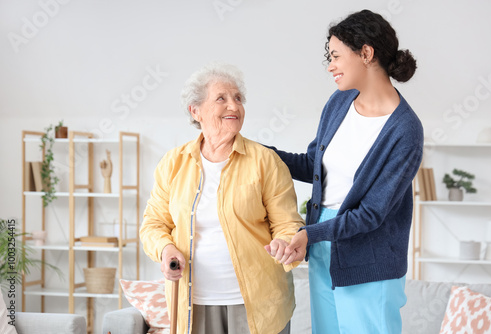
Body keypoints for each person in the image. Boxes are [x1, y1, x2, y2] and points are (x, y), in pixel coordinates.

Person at [267, 9, 424, 334]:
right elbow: (314, 166)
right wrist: (262, 153)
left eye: (336, 56)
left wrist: (310, 234)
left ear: (366, 53)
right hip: (323, 245)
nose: (330, 65)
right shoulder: (338, 103)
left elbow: (370, 215)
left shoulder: (405, 130)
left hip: (369, 259)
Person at [140, 62, 304, 334]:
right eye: (221, 98)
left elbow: (288, 223)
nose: (234, 106)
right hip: (194, 302)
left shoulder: (265, 161)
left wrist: (284, 244)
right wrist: (166, 249)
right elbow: (153, 224)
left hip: (258, 302)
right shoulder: (173, 163)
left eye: (238, 98)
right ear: (196, 111)